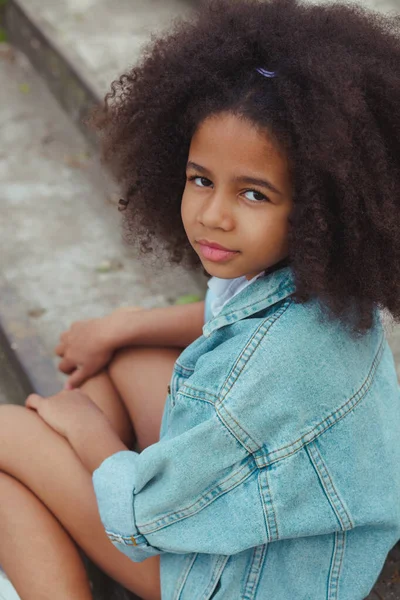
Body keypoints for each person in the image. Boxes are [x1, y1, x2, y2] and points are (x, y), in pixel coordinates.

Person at [1, 0, 400, 598]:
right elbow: (222, 323)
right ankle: (56, 495)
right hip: (281, 538)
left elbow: (148, 515)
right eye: (201, 179)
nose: (213, 215)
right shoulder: (314, 289)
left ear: (321, 210)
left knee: (5, 437)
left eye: (254, 195)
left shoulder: (279, 364)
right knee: (130, 357)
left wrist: (82, 433)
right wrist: (120, 328)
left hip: (246, 579)